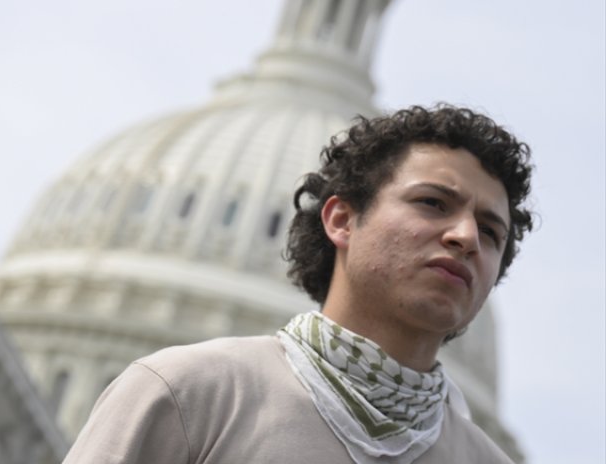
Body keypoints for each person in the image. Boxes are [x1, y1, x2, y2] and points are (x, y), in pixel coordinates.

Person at [63, 104, 533, 464]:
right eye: (432, 203)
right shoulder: (190, 393)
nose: (466, 236)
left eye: (491, 232)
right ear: (342, 219)